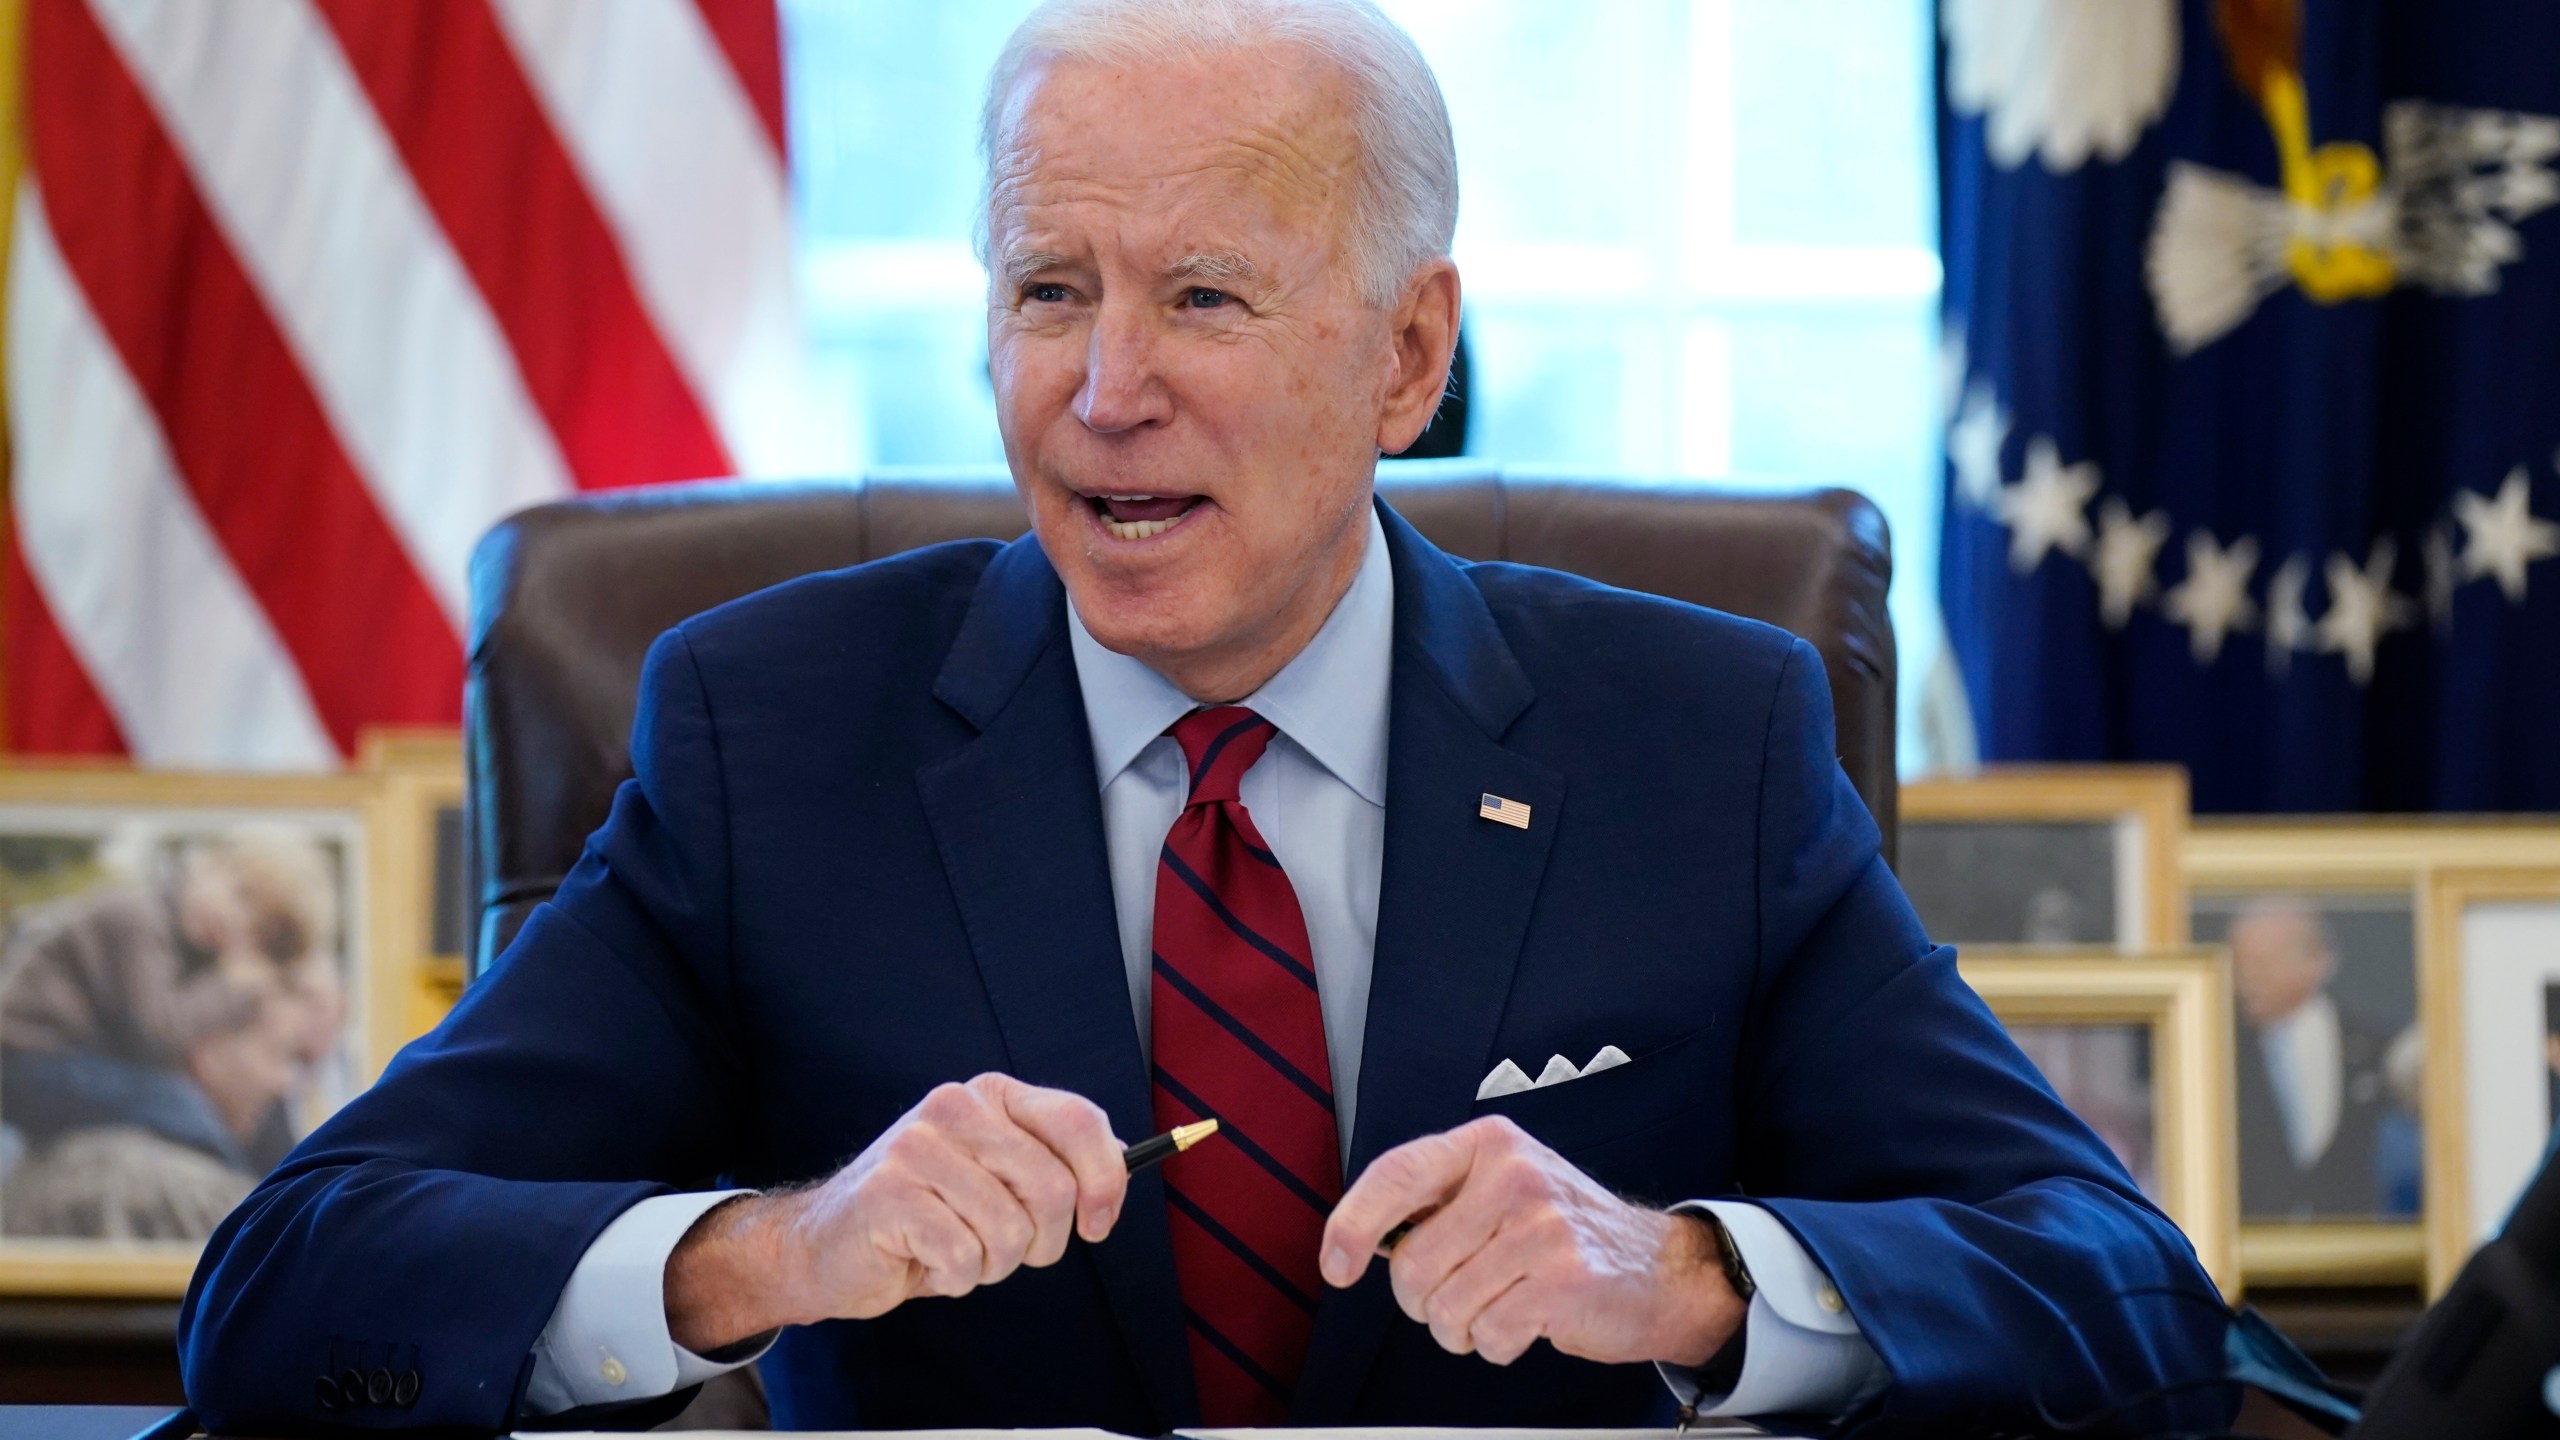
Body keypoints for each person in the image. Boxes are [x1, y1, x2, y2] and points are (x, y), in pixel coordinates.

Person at [178, 1, 2225, 1433]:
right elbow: (292, 1289)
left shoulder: (1695, 740)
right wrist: (765, 1254)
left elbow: (2121, 1293)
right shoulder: (765, 737)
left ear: (1405, 356)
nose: (1102, 391)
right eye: (1047, 290)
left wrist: (1685, 1278)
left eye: (1206, 299)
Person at [0, 828, 345, 1227]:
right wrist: (235, 982)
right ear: (209, 866)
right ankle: (249, 1194)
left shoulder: (172, 939)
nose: (235, 922)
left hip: (56, 1065)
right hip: (29, 1059)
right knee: (180, 1106)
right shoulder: (137, 920)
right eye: (239, 895)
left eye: (259, 931)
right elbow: (157, 1033)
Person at [2227, 896, 2403, 1218]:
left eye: (2262, 964)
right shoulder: (2218, 1053)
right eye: (2239, 965)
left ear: (2318, 962)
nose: (2246, 980)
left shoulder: (2375, 1047)